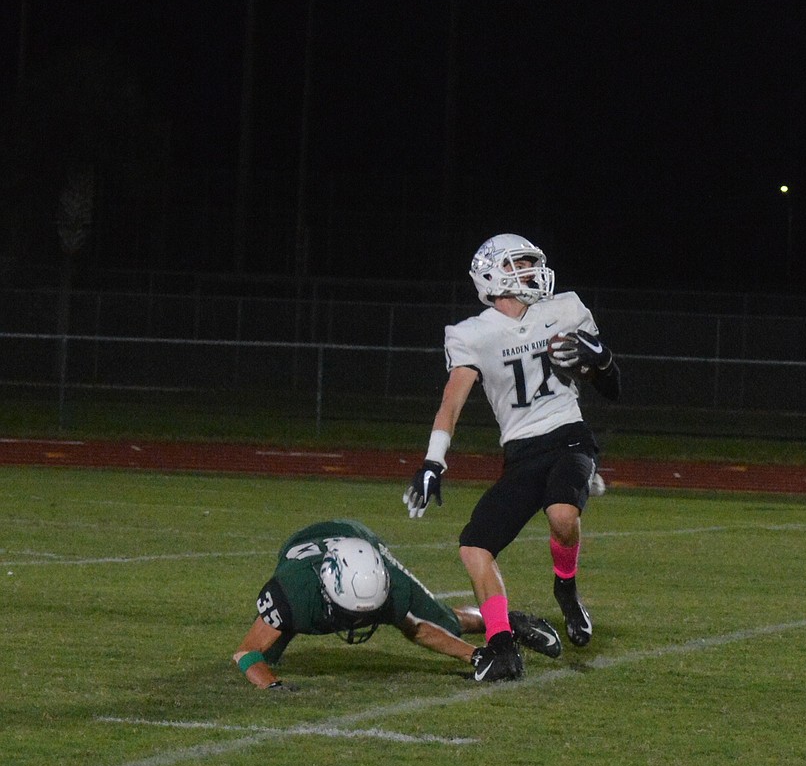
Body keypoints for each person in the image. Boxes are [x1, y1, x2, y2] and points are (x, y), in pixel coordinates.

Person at [403, 233, 620, 682]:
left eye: (529, 263)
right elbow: (451, 402)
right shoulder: (471, 334)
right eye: (519, 264)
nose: (530, 272)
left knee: (562, 515)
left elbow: (611, 387)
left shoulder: (565, 309)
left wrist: (601, 359)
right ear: (492, 274)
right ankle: (502, 645)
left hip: (569, 433)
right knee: (474, 546)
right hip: (521, 450)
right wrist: (432, 462)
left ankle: (566, 587)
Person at [232, 518, 561, 689]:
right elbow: (246, 653)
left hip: (359, 541)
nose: (356, 621)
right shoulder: (294, 592)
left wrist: (476, 656)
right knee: (269, 653)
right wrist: (270, 684)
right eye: (349, 612)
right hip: (308, 546)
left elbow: (417, 630)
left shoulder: (385, 583)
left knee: (444, 620)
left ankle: (505, 620)